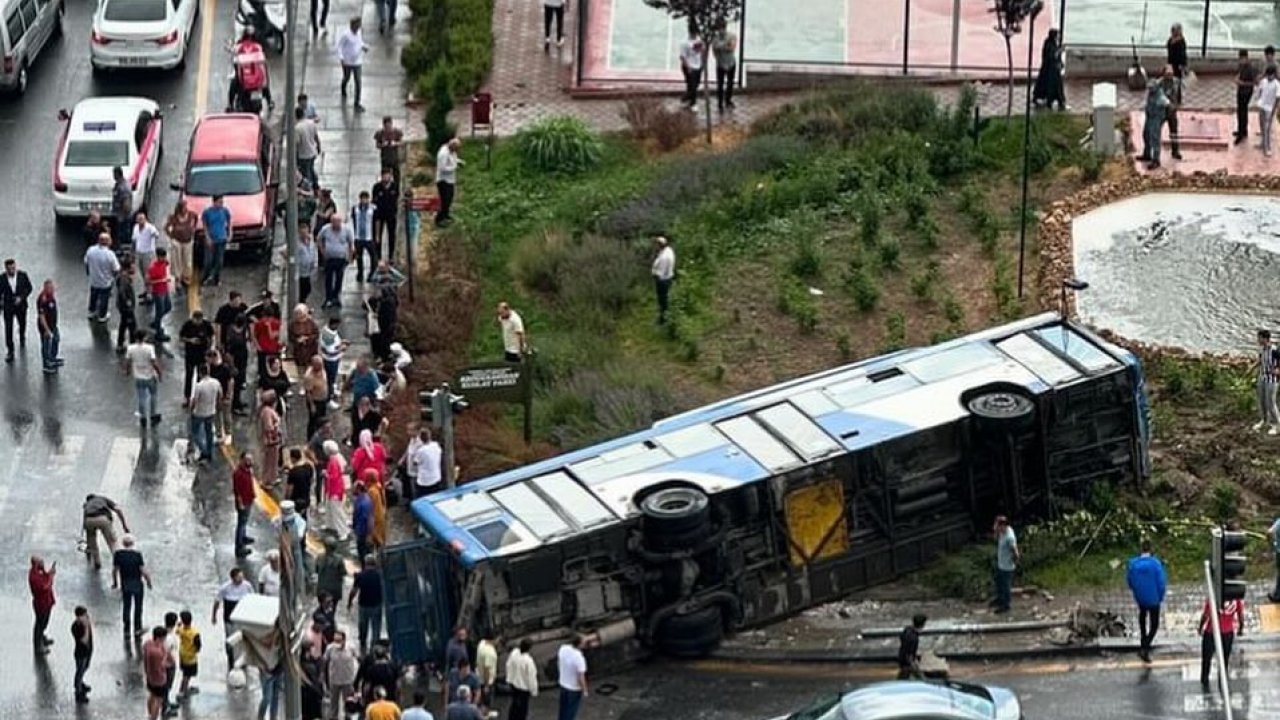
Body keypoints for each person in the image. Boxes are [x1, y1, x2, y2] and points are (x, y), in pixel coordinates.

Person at [1126, 539, 1167, 663]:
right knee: (1154, 625)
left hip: (1140, 597)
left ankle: (1143, 638)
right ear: (1151, 550)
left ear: (1141, 549)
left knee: (1142, 617)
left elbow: (1129, 581)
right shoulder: (1156, 564)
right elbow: (1161, 583)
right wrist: (1160, 596)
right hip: (1154, 598)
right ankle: (1145, 646)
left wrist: (1136, 591)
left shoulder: (1133, 564)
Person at [211, 567, 256, 670]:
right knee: (230, 640)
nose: (240, 579)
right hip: (230, 620)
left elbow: (253, 599)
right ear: (233, 578)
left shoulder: (247, 586)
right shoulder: (225, 588)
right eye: (238, 577)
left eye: (241, 577)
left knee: (243, 640)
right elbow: (217, 601)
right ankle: (231, 659)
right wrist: (214, 616)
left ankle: (243, 660)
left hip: (243, 619)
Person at [1199, 596, 1245, 687]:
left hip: (1211, 631)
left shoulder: (1214, 597)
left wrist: (1200, 627)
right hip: (1227, 633)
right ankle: (1222, 682)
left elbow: (1205, 614)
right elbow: (1240, 615)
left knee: (1206, 659)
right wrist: (1240, 628)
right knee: (1224, 660)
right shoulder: (1236, 600)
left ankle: (1205, 681)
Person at [112, 534, 152, 636]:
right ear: (133, 543)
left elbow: (115, 570)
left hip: (125, 584)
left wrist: (115, 583)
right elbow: (143, 570)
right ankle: (137, 628)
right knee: (138, 607)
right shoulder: (137, 555)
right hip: (137, 584)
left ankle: (126, 629)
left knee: (126, 606)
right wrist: (148, 582)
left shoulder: (118, 554)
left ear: (123, 543)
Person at [126, 330, 164, 428]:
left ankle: (143, 417)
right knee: (153, 396)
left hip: (138, 376)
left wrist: (128, 371)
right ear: (144, 337)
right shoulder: (149, 348)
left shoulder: (131, 348)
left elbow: (128, 361)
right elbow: (154, 362)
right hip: (150, 375)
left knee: (141, 397)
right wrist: (160, 373)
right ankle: (153, 414)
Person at [82, 493, 130, 570]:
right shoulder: (102, 499)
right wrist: (124, 526)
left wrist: (88, 546)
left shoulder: (87, 504)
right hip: (103, 518)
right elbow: (118, 509)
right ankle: (118, 561)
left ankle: (97, 562)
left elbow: (84, 522)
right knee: (112, 543)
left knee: (92, 543)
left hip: (89, 520)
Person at [348, 554, 384, 653]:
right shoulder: (379, 575)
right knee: (376, 628)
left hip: (363, 605)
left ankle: (363, 645)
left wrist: (349, 602)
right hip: (376, 605)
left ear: (365, 563)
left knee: (363, 626)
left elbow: (354, 591)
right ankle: (374, 648)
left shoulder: (360, 575)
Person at [319, 214, 355, 308]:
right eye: (334, 223)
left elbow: (351, 243)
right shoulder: (325, 229)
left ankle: (336, 297)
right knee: (328, 279)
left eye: (338, 223)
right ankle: (328, 298)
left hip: (341, 258)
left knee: (339, 278)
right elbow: (319, 240)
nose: (336, 225)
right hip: (329, 258)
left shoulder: (346, 230)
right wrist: (323, 251)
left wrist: (350, 257)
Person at [0, 258, 32, 363]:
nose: (12, 271)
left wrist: (21, 298)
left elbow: (29, 288)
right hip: (8, 306)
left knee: (22, 323)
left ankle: (22, 335)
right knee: (8, 328)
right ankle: (10, 350)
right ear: (6, 269)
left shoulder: (23, 275)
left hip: (21, 305)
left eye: (13, 268)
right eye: (10, 269)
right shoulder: (2, 279)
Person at [323, 630, 360, 720]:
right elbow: (324, 662)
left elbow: (358, 659)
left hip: (347, 681)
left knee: (348, 703)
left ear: (344, 640)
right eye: (336, 641)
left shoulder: (351, 648)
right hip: (334, 680)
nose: (337, 643)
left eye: (339, 641)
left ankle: (347, 717)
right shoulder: (330, 649)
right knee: (333, 704)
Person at [180, 308, 215, 400]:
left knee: (201, 376)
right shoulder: (187, 325)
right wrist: (190, 340)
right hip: (190, 354)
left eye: (199, 320)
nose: (197, 322)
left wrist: (210, 347)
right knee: (189, 375)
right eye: (196, 320)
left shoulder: (206, 325)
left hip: (202, 354)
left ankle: (199, 395)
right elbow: (181, 337)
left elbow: (211, 335)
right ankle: (187, 396)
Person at [84, 232, 120, 322]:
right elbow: (116, 268)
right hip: (105, 281)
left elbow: (86, 262)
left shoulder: (91, 250)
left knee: (93, 295)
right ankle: (102, 315)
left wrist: (89, 272)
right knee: (104, 298)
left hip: (94, 279)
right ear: (107, 242)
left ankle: (91, 311)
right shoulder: (110, 254)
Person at [189, 365, 221, 464]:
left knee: (195, 433)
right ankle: (210, 452)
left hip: (199, 413)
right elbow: (220, 394)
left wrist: (191, 409)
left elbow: (194, 400)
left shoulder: (199, 386)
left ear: (200, 373)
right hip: (211, 411)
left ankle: (204, 451)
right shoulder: (216, 382)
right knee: (209, 433)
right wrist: (217, 404)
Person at [336, 17, 368, 112]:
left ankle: (357, 103)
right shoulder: (345, 35)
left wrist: (363, 47)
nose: (359, 27)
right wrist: (341, 58)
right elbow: (339, 46)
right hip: (347, 62)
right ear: (352, 25)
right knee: (347, 77)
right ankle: (343, 86)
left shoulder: (359, 33)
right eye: (357, 25)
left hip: (357, 61)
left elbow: (359, 42)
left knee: (358, 82)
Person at [164, 200, 198, 291]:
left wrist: (193, 229)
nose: (185, 209)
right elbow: (166, 227)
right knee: (177, 260)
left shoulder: (191, 215)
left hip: (188, 241)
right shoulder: (173, 217)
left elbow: (196, 219)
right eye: (184, 208)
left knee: (187, 260)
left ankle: (186, 277)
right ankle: (178, 279)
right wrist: (171, 236)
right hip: (177, 241)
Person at [201, 195, 233, 286]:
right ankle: (205, 277)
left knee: (219, 262)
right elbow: (205, 226)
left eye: (222, 202)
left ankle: (216, 279)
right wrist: (207, 237)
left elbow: (229, 221)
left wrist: (229, 233)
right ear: (214, 202)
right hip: (211, 239)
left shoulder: (225, 211)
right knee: (208, 261)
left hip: (221, 239)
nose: (221, 204)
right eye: (219, 202)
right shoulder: (207, 212)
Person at [556, 635, 589, 720]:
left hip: (563, 684)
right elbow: (581, 676)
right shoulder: (579, 658)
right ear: (580, 645)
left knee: (562, 710)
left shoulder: (563, 648)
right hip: (574, 689)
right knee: (570, 711)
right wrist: (585, 690)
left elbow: (559, 662)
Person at [207, 348, 236, 444]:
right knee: (216, 415)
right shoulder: (210, 367)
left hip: (225, 394)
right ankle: (219, 433)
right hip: (215, 395)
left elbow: (230, 382)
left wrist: (228, 395)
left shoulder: (225, 368)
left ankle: (228, 433)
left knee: (226, 415)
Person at [323, 440, 351, 537]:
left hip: (335, 490)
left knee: (337, 511)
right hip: (334, 489)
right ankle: (331, 525)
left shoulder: (333, 461)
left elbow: (334, 476)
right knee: (332, 508)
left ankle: (343, 531)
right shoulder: (334, 459)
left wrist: (326, 474)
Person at [1032, 29, 1065, 111]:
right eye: (1057, 35)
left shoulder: (1051, 43)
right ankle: (1053, 101)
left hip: (1052, 69)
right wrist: (1059, 51)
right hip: (1050, 70)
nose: (1059, 36)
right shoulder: (1049, 44)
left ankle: (1057, 101)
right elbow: (1051, 56)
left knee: (1052, 85)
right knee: (1052, 85)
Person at [505, 638, 538, 720]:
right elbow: (531, 677)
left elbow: (508, 665)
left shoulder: (514, 653)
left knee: (514, 706)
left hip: (513, 685)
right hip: (523, 689)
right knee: (522, 710)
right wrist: (534, 691)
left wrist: (509, 678)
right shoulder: (528, 661)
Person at [28, 555, 55, 653]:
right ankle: (38, 645)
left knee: (44, 622)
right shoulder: (34, 576)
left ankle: (41, 637)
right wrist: (51, 577)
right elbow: (45, 587)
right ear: (36, 564)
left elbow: (45, 578)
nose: (43, 563)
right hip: (41, 603)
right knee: (40, 624)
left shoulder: (39, 572)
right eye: (41, 562)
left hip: (46, 602)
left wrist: (50, 573)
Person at [233, 451, 258, 557]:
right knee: (241, 523)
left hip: (249, 499)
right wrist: (240, 503)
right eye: (247, 460)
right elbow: (237, 491)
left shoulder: (248, 470)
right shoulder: (238, 473)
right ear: (242, 460)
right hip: (243, 502)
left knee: (244, 521)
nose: (250, 462)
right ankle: (239, 547)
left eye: (251, 460)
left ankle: (243, 537)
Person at [372, 168, 400, 262]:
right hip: (380, 215)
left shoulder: (394, 186)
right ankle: (378, 256)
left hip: (391, 215)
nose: (386, 177)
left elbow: (397, 199)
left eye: (387, 175)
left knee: (391, 235)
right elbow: (374, 202)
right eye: (384, 175)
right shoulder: (377, 187)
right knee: (377, 236)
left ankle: (391, 256)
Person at [992, 515, 1019, 614]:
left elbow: (1015, 552)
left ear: (1002, 525)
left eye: (997, 525)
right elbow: (995, 538)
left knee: (1005, 586)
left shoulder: (1009, 537)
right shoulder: (1002, 532)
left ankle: (1006, 605)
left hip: (1007, 566)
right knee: (999, 583)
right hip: (1001, 564)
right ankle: (999, 599)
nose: (996, 527)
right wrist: (995, 531)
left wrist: (1013, 561)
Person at [1255, 329, 1280, 435]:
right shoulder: (1262, 350)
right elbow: (1260, 361)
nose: (1258, 340)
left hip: (1272, 380)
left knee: (1271, 402)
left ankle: (1277, 424)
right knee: (1262, 401)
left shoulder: (1274, 350)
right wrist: (1251, 369)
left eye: (1259, 338)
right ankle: (1264, 420)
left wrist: (1278, 370)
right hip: (1262, 378)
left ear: (1265, 338)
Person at [146, 247, 174, 341]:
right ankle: (158, 333)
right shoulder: (153, 268)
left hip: (165, 289)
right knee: (159, 311)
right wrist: (161, 280)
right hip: (158, 292)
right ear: (158, 256)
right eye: (162, 257)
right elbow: (149, 281)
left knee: (168, 307)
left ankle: (156, 322)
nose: (164, 259)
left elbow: (168, 264)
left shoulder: (164, 263)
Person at [1141, 79, 1169, 170]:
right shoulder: (1150, 94)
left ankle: (1156, 160)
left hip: (1156, 118)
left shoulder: (1160, 95)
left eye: (1151, 88)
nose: (1149, 89)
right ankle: (1147, 154)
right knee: (1146, 135)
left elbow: (1167, 103)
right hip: (1149, 116)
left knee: (1155, 138)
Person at [143, 627, 171, 720]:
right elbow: (163, 665)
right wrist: (167, 654)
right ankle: (153, 717)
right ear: (160, 638)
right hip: (159, 679)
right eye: (164, 638)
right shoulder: (158, 652)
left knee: (152, 695)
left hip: (149, 676)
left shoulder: (147, 644)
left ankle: (150, 714)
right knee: (158, 700)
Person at [133, 211, 161, 303]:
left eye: (142, 219)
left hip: (148, 253)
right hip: (139, 253)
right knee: (142, 272)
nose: (140, 221)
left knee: (148, 274)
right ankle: (146, 289)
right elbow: (134, 240)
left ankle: (150, 293)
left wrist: (153, 234)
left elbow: (156, 234)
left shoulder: (150, 227)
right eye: (139, 219)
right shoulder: (136, 228)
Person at [351, 190, 378, 283]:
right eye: (362, 199)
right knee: (359, 257)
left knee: (373, 256)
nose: (364, 201)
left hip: (369, 237)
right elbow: (353, 221)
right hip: (358, 237)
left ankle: (372, 273)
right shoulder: (355, 209)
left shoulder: (373, 209)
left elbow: (377, 222)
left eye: (366, 199)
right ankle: (360, 273)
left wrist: (377, 235)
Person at [435, 138, 462, 227]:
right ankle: (439, 219)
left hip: (450, 180)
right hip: (443, 180)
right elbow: (442, 168)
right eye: (456, 149)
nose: (456, 151)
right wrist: (454, 168)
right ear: (452, 146)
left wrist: (459, 162)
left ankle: (446, 215)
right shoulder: (443, 154)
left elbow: (454, 159)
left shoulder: (451, 151)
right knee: (444, 201)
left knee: (450, 198)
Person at [252, 305, 284, 380]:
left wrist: (257, 346)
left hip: (262, 348)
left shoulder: (259, 322)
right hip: (274, 349)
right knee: (275, 366)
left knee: (262, 368)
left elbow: (255, 336)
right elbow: (277, 336)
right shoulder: (277, 323)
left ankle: (263, 383)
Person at [409, 428, 442, 499]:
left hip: (424, 481)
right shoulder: (436, 445)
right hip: (436, 478)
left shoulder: (421, 451)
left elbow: (415, 462)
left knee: (423, 498)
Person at [176, 610, 202, 699]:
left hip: (182, 655)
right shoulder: (194, 632)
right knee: (187, 675)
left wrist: (179, 625)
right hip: (191, 657)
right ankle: (182, 691)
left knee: (185, 673)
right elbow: (198, 644)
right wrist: (197, 650)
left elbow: (177, 630)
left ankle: (184, 688)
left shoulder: (181, 630)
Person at [35, 278, 59, 374]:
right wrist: (47, 330)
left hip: (53, 325)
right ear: (45, 288)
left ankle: (52, 358)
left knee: (56, 340)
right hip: (46, 327)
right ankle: (46, 364)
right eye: (50, 288)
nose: (53, 289)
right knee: (46, 345)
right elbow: (41, 316)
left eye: (53, 287)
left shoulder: (50, 296)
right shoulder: (42, 299)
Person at [711, 23, 737, 112]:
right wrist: (725, 45)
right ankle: (720, 103)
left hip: (731, 63)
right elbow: (714, 50)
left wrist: (720, 47)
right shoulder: (715, 38)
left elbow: (732, 48)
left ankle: (728, 100)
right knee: (720, 84)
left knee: (730, 83)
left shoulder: (731, 36)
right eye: (719, 28)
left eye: (722, 28)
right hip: (720, 63)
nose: (721, 30)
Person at [651, 235, 675, 324]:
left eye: (656, 244)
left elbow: (660, 273)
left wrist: (654, 276)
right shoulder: (668, 251)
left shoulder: (664, 257)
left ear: (660, 245)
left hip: (662, 281)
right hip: (668, 278)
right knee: (665, 299)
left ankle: (663, 319)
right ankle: (665, 317)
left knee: (663, 301)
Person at [296, 106, 322, 191]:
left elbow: (297, 143)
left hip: (303, 154)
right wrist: (318, 146)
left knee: (306, 173)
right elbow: (316, 136)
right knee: (311, 168)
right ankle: (316, 184)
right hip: (312, 151)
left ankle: (310, 188)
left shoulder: (297, 128)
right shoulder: (311, 123)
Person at [116, 259, 139, 353]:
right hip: (126, 308)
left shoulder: (124, 277)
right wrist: (127, 302)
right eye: (133, 266)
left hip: (123, 306)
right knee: (132, 325)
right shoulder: (124, 279)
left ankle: (120, 343)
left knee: (124, 324)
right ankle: (133, 345)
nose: (134, 268)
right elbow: (122, 291)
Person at [286, 447, 317, 516]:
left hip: (295, 500)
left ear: (293, 458)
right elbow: (312, 480)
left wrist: (286, 500)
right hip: (306, 498)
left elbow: (289, 489)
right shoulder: (309, 466)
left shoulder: (293, 471)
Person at [72, 606, 94, 704]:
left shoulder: (86, 623)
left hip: (87, 651)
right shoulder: (77, 627)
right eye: (84, 615)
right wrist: (85, 628)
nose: (87, 617)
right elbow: (83, 640)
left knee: (85, 667)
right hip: (81, 652)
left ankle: (80, 683)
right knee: (80, 670)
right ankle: (78, 690)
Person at [304, 356, 330, 438]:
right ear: (314, 365)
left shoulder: (322, 370)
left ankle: (322, 436)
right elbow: (308, 392)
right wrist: (312, 405)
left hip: (323, 399)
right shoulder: (309, 377)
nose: (321, 366)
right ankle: (311, 439)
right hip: (315, 401)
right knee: (313, 421)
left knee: (322, 420)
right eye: (319, 365)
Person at [375, 116, 404, 187]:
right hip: (385, 158)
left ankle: (396, 188)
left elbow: (402, 142)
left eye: (389, 125)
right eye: (386, 126)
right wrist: (382, 145)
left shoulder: (397, 132)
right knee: (385, 175)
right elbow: (377, 145)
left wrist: (395, 143)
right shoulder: (380, 133)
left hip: (394, 157)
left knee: (396, 175)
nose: (388, 128)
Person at [1259, 64, 1280, 157]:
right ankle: (1263, 143)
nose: (1268, 77)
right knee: (1262, 126)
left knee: (1267, 129)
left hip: (1269, 109)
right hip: (1262, 106)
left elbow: (1277, 98)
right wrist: (1259, 101)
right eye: (1267, 75)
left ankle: (1267, 148)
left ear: (1274, 75)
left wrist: (1273, 111)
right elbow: (1260, 91)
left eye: (1270, 75)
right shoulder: (1263, 81)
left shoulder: (1277, 85)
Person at [1236, 49, 1257, 145]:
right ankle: (1242, 130)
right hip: (1240, 90)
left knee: (1243, 111)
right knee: (1240, 110)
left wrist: (1243, 83)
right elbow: (1239, 74)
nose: (1241, 60)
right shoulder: (1241, 66)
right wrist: (1237, 78)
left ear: (1246, 58)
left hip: (1247, 92)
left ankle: (1241, 134)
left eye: (1242, 59)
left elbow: (1254, 82)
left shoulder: (1251, 68)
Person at [896, 614, 926, 679]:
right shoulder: (914, 638)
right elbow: (910, 654)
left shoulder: (907, 630)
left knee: (903, 677)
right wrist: (914, 665)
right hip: (907, 662)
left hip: (901, 657)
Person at [678, 32, 704, 108]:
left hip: (698, 65)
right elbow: (682, 57)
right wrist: (688, 67)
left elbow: (703, 51)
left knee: (696, 84)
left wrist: (702, 63)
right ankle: (693, 103)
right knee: (692, 85)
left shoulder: (700, 40)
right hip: (689, 66)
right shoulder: (684, 42)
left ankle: (687, 97)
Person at [162, 612, 180, 716]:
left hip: (168, 664)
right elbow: (167, 651)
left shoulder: (166, 634)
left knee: (167, 686)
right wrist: (173, 661)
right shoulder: (168, 638)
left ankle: (167, 702)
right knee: (167, 686)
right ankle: (165, 708)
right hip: (168, 665)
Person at [111, 165, 133, 247]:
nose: (113, 176)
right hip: (120, 214)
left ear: (117, 174)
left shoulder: (124, 187)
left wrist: (122, 216)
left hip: (123, 216)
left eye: (114, 174)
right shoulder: (119, 184)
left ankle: (124, 249)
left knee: (123, 234)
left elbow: (126, 204)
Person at [352, 482, 374, 561]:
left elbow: (369, 519)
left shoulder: (364, 502)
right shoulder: (360, 499)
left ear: (358, 489)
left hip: (363, 532)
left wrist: (369, 535)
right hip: (360, 530)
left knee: (364, 553)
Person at [298, 223, 319, 305]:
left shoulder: (310, 241)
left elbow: (313, 250)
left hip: (309, 269)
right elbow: (284, 251)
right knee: (303, 288)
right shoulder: (296, 243)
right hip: (301, 271)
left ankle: (303, 301)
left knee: (308, 288)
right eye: (302, 233)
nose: (304, 235)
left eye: (305, 233)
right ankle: (301, 302)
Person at [476, 632, 498, 706]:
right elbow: (487, 669)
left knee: (482, 700)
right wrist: (487, 685)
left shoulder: (481, 644)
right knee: (487, 701)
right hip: (487, 681)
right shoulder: (489, 653)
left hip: (479, 676)